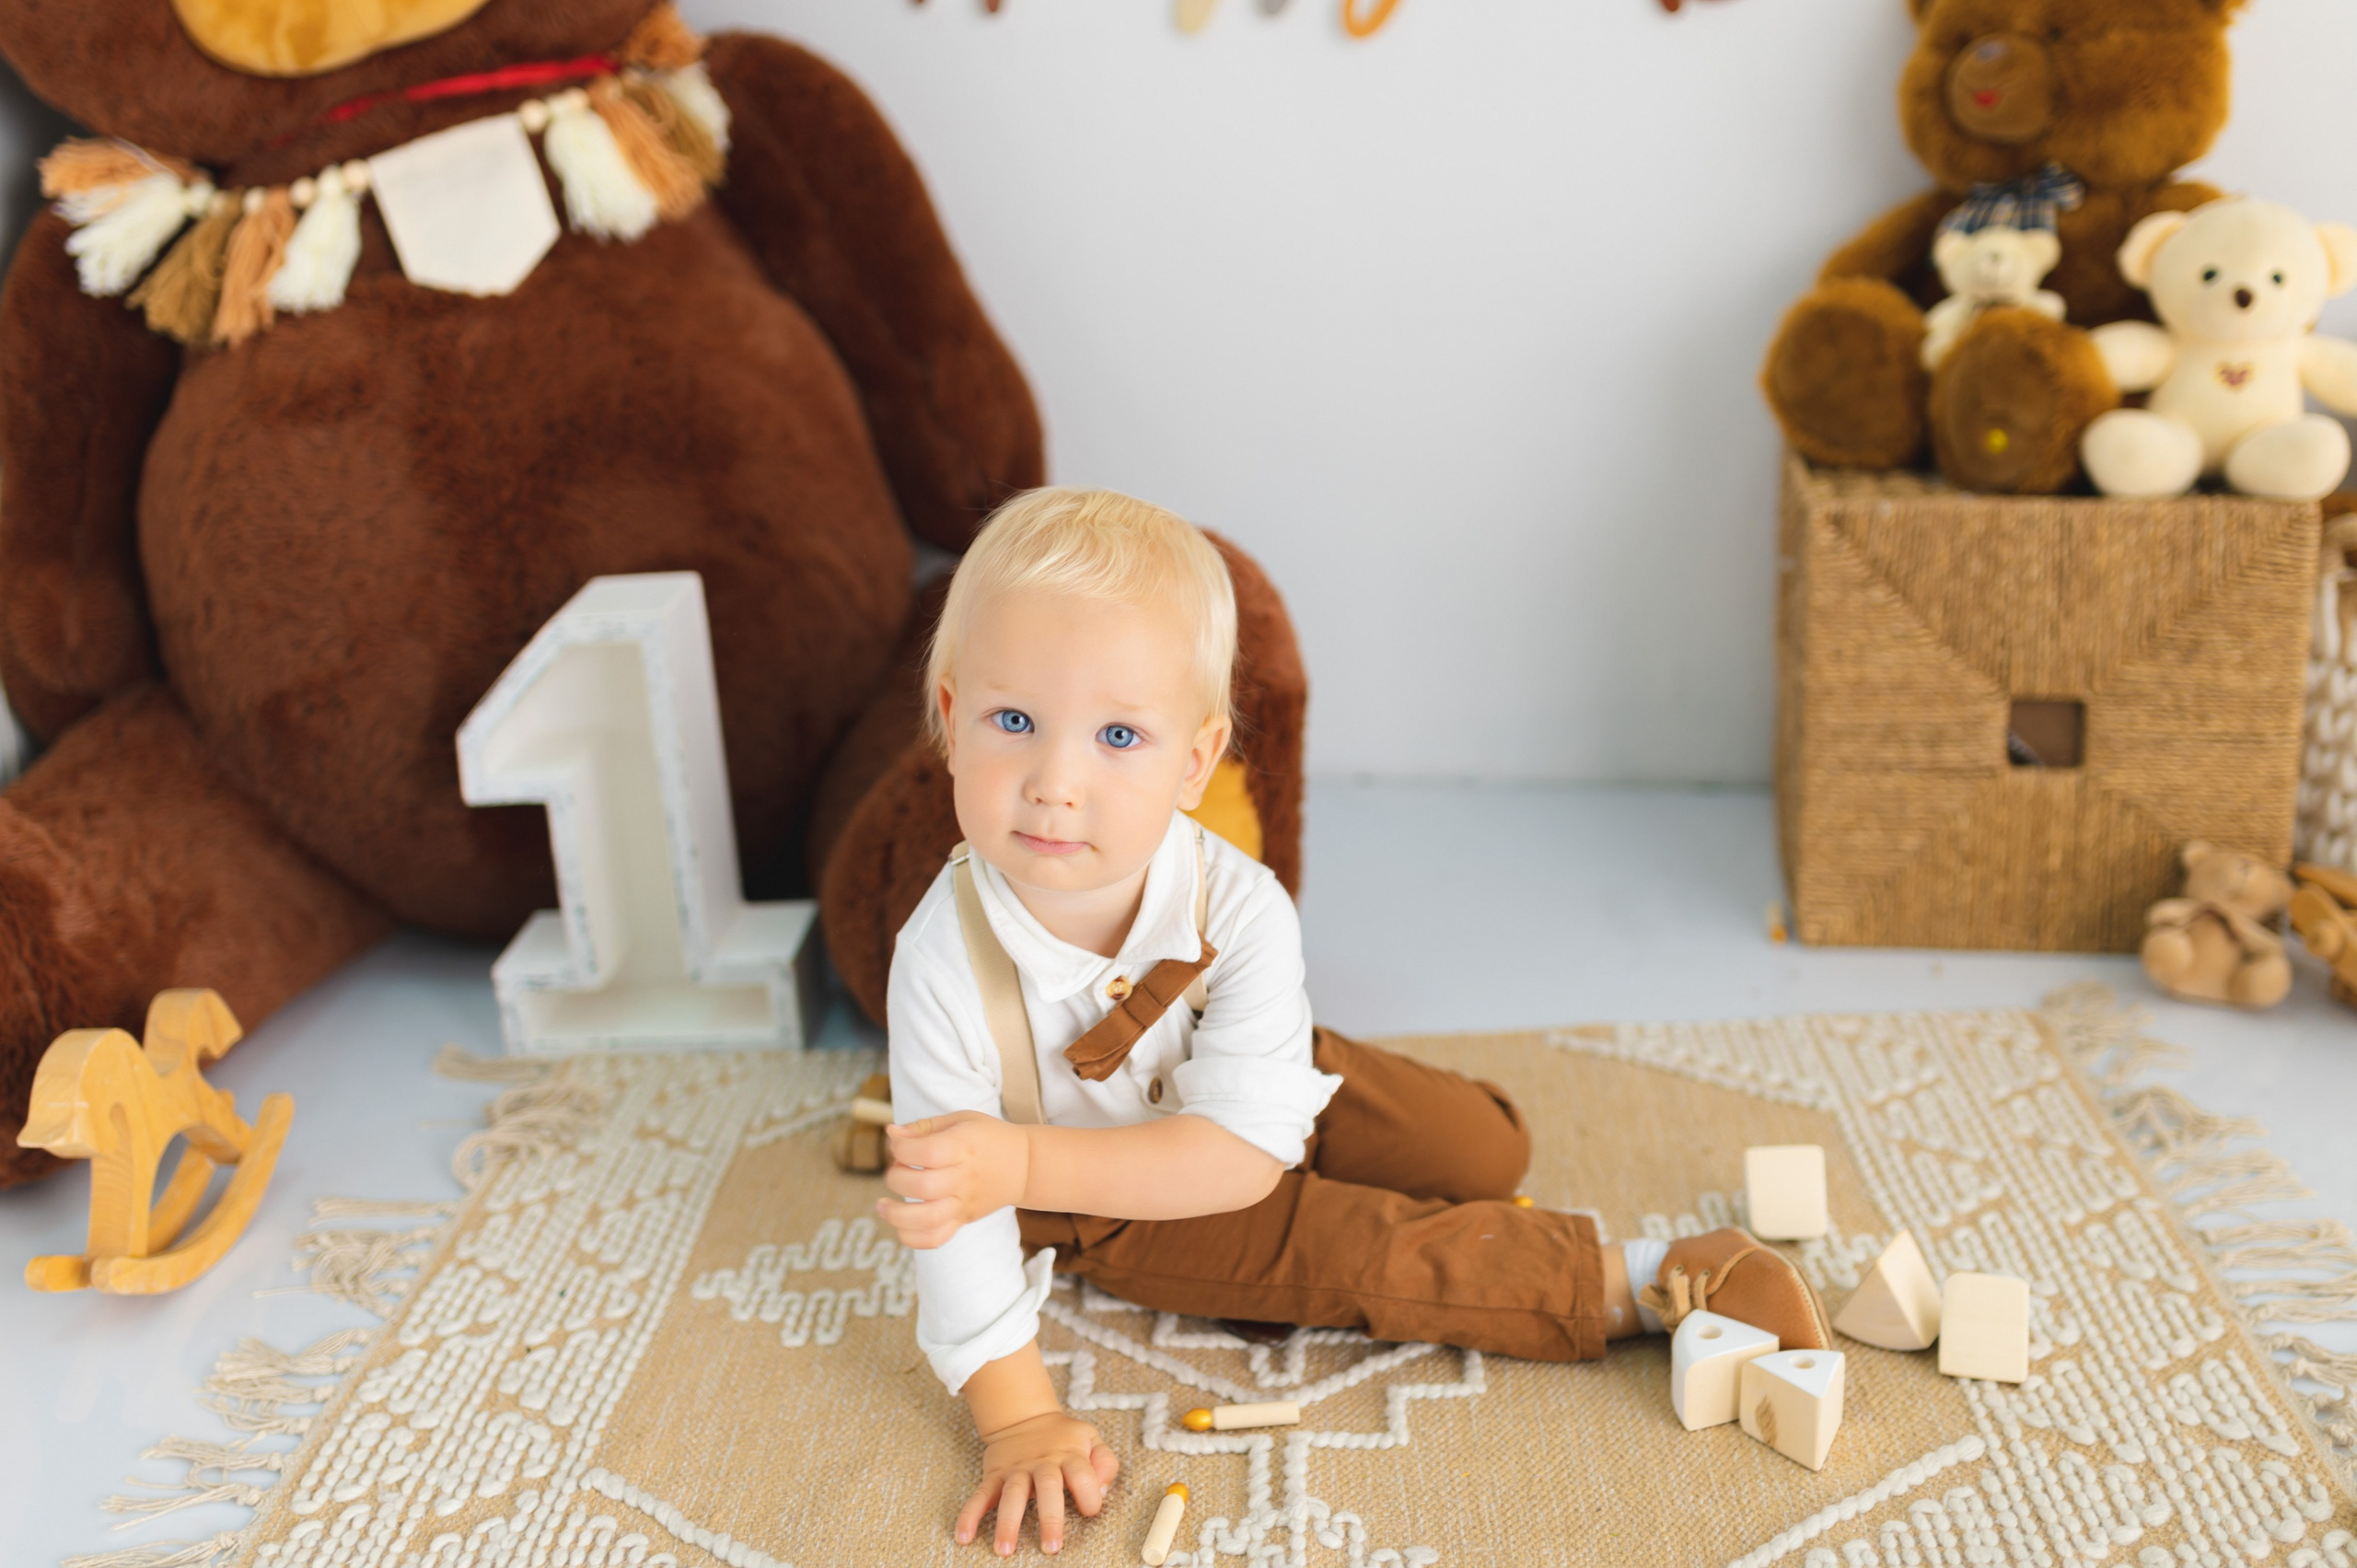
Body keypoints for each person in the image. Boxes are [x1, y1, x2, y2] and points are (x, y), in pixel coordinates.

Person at [879, 487, 1829, 1557]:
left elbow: (1248, 1138)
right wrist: (1018, 1414)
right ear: (952, 721)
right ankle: (1648, 1277)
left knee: (1479, 1143)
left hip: (1245, 1100)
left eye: (1116, 735)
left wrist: (1022, 1154)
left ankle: (1479, 1175)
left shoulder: (1234, 902)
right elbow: (950, 1211)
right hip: (1100, 1200)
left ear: (1193, 764)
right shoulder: (941, 961)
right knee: (1360, 1251)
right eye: (1015, 722)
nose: (1056, 783)